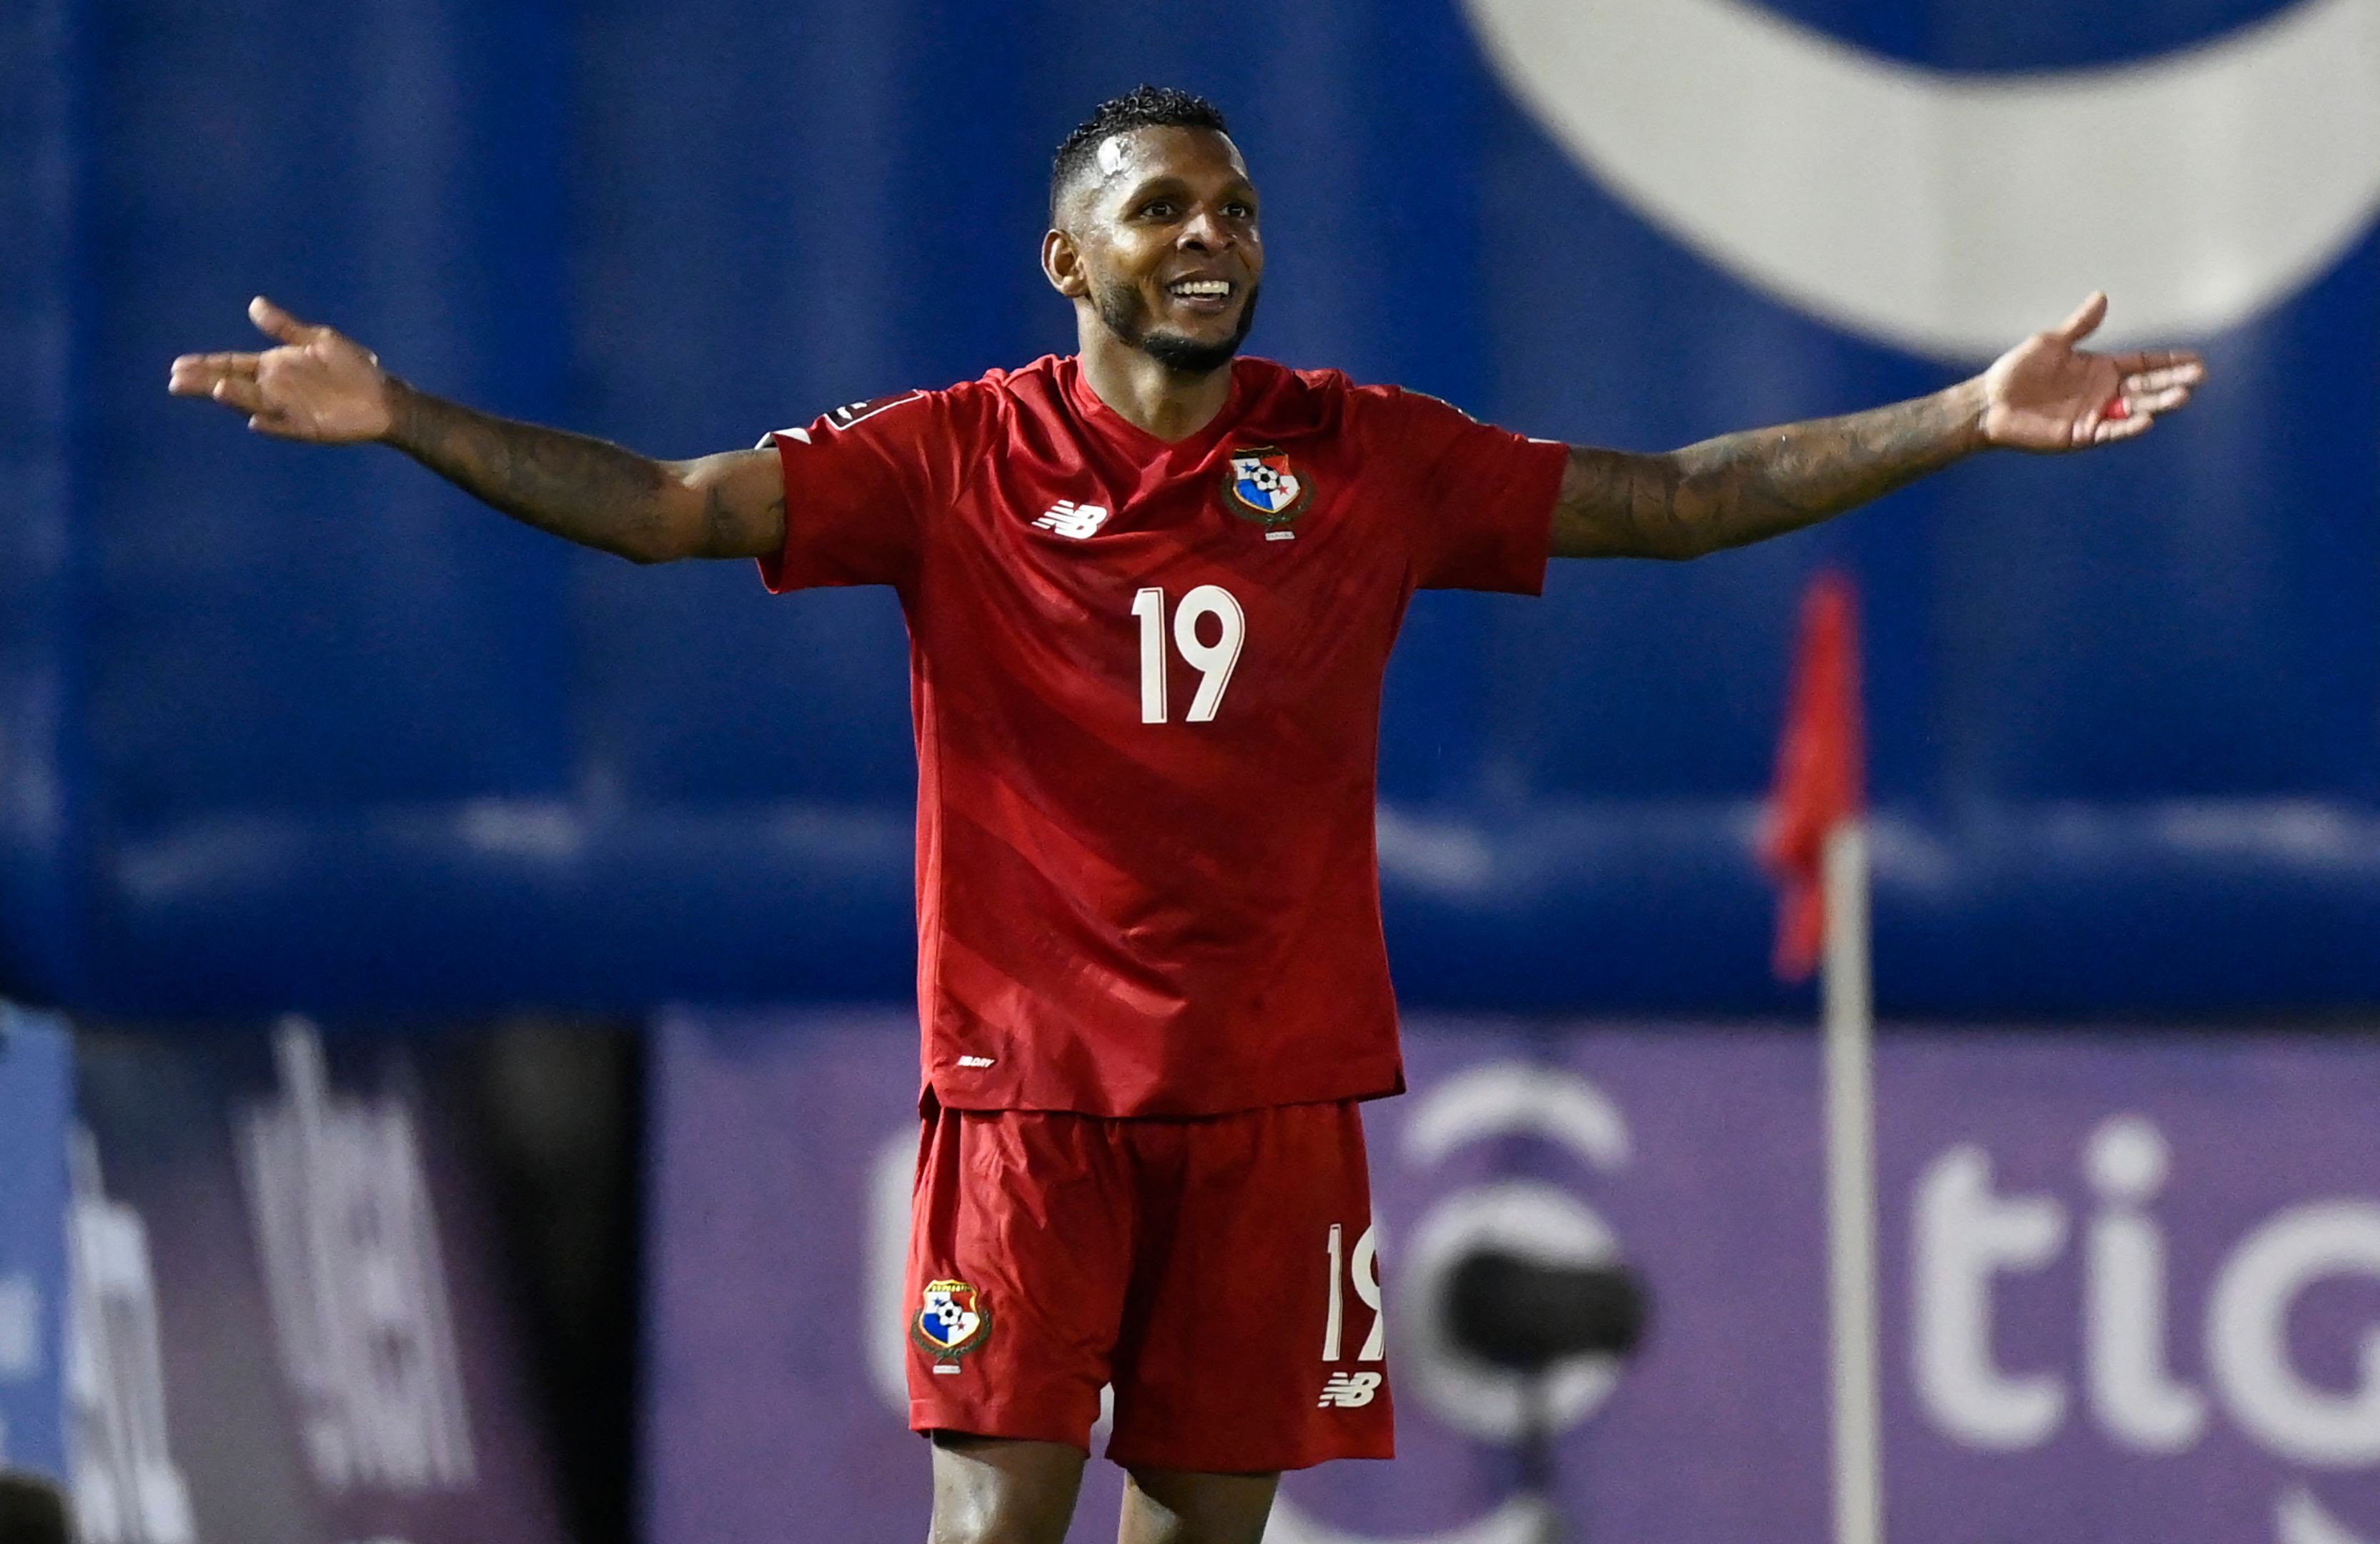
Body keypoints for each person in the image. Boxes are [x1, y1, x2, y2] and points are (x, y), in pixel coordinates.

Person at [170, 84, 2203, 1544]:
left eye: (1232, 208)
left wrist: (1958, 414)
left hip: (1273, 1098)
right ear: (1071, 257)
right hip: (1031, 1092)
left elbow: (1668, 506)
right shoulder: (954, 454)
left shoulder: (1361, 452)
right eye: (1163, 209)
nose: (1211, 236)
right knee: (995, 1519)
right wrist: (406, 414)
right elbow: (670, 514)